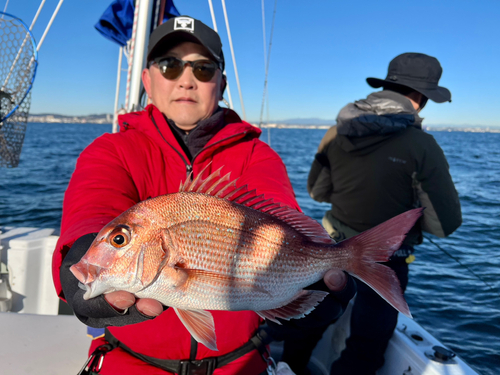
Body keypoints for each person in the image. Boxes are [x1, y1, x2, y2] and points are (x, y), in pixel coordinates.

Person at [52, 16, 355, 375]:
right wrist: (85, 249)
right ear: (147, 80)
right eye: (169, 65)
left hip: (241, 364)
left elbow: (278, 221)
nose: (186, 79)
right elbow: (93, 207)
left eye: (203, 68)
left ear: (221, 82)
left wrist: (306, 287)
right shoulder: (111, 149)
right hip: (128, 362)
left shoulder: (258, 155)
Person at [307, 52, 462, 374]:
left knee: (308, 320)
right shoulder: (422, 145)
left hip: (329, 245)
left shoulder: (335, 133)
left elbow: (316, 192)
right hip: (385, 259)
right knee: (367, 343)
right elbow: (445, 225)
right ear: (419, 98)